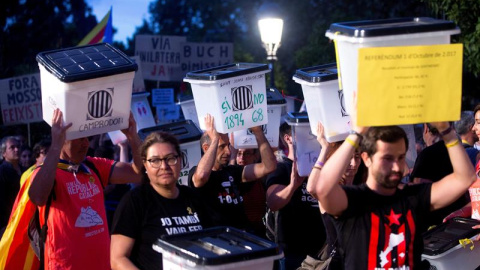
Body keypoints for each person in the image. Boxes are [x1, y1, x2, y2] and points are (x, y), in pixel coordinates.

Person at [314, 105, 476, 269]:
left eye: (400, 157)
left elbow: (465, 178)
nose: (397, 167)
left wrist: (446, 131)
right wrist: (355, 135)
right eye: (387, 158)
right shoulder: (354, 200)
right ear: (367, 158)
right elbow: (323, 189)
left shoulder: (412, 197)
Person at [28, 108, 143, 270]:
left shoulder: (93, 165)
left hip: (102, 265)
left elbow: (139, 174)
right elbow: (38, 197)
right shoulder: (45, 172)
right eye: (80, 139)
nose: (86, 144)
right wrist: (55, 146)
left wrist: (132, 136)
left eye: (87, 138)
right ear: (62, 140)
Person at [110, 131, 213, 270]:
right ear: (145, 165)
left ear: (180, 160)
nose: (164, 166)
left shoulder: (194, 198)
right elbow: (118, 259)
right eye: (155, 161)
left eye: (170, 158)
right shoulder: (134, 201)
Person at [188, 114, 276, 230]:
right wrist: (214, 139)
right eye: (222, 146)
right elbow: (201, 177)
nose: (228, 151)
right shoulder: (195, 172)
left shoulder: (233, 172)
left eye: (228, 145)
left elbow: (268, 166)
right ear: (205, 148)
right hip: (218, 241)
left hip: (241, 239)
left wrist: (258, 132)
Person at [265, 122, 326, 270]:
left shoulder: (321, 168)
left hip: (321, 250)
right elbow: (273, 202)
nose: (310, 137)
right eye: (304, 132)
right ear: (288, 138)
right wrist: (292, 186)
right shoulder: (281, 168)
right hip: (292, 252)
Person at [232, 147, 267, 238]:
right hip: (236, 233)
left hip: (258, 233)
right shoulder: (229, 179)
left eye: (247, 153)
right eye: (239, 154)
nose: (242, 158)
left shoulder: (262, 180)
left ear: (255, 156)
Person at [0, 136, 22, 237]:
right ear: (4, 153)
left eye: (18, 146)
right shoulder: (2, 172)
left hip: (23, 219)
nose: (16, 149)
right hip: (7, 223)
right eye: (12, 147)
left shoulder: (25, 169)